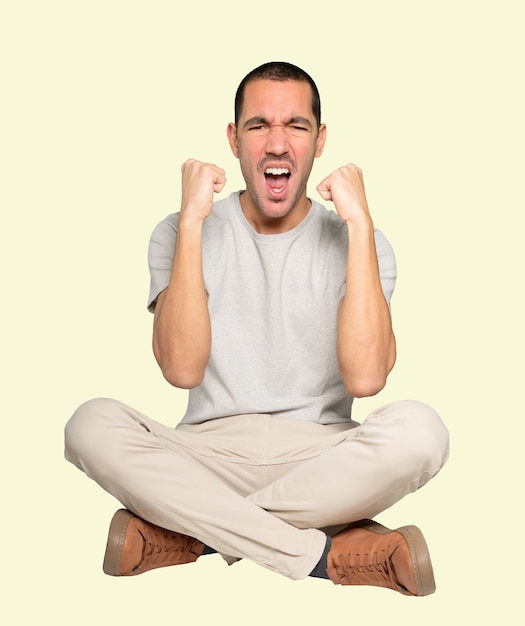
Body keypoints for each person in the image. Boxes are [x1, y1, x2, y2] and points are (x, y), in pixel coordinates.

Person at [64, 61, 449, 596]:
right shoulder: (178, 229)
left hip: (325, 461)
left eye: (296, 126)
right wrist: (193, 222)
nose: (276, 143)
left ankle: (193, 534)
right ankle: (321, 555)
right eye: (258, 125)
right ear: (233, 139)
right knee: (89, 424)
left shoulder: (362, 240)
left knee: (422, 431)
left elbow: (365, 379)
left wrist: (359, 225)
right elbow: (181, 368)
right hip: (205, 457)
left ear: (319, 142)